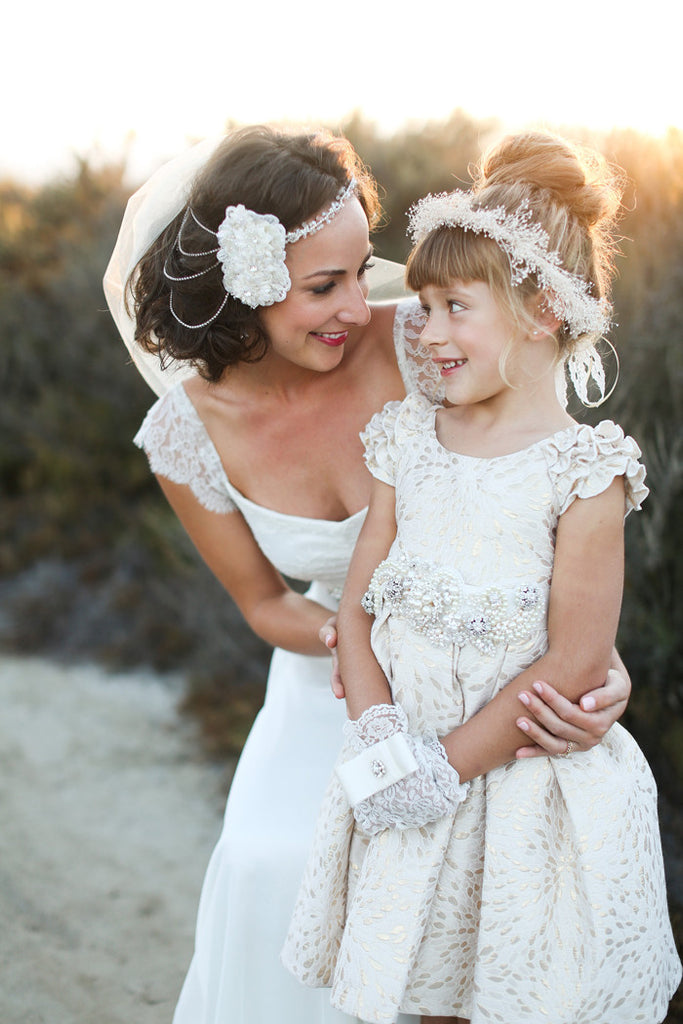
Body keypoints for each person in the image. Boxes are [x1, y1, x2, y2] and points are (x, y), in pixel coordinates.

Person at [103, 126, 635, 1024]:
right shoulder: (183, 436)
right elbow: (265, 603)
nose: (360, 306)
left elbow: (540, 483)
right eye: (323, 286)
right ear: (246, 290)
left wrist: (591, 661)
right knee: (272, 858)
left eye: (362, 271)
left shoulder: (425, 341)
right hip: (332, 679)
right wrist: (362, 640)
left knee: (461, 886)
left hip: (478, 673)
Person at [282, 132, 682, 1024]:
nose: (424, 330)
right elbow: (355, 611)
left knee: (513, 992)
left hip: (518, 789)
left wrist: (444, 769)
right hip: (403, 769)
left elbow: (578, 657)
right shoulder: (405, 443)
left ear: (542, 309)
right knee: (422, 991)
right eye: (419, 306)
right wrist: (384, 735)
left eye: (453, 306)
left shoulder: (585, 470)